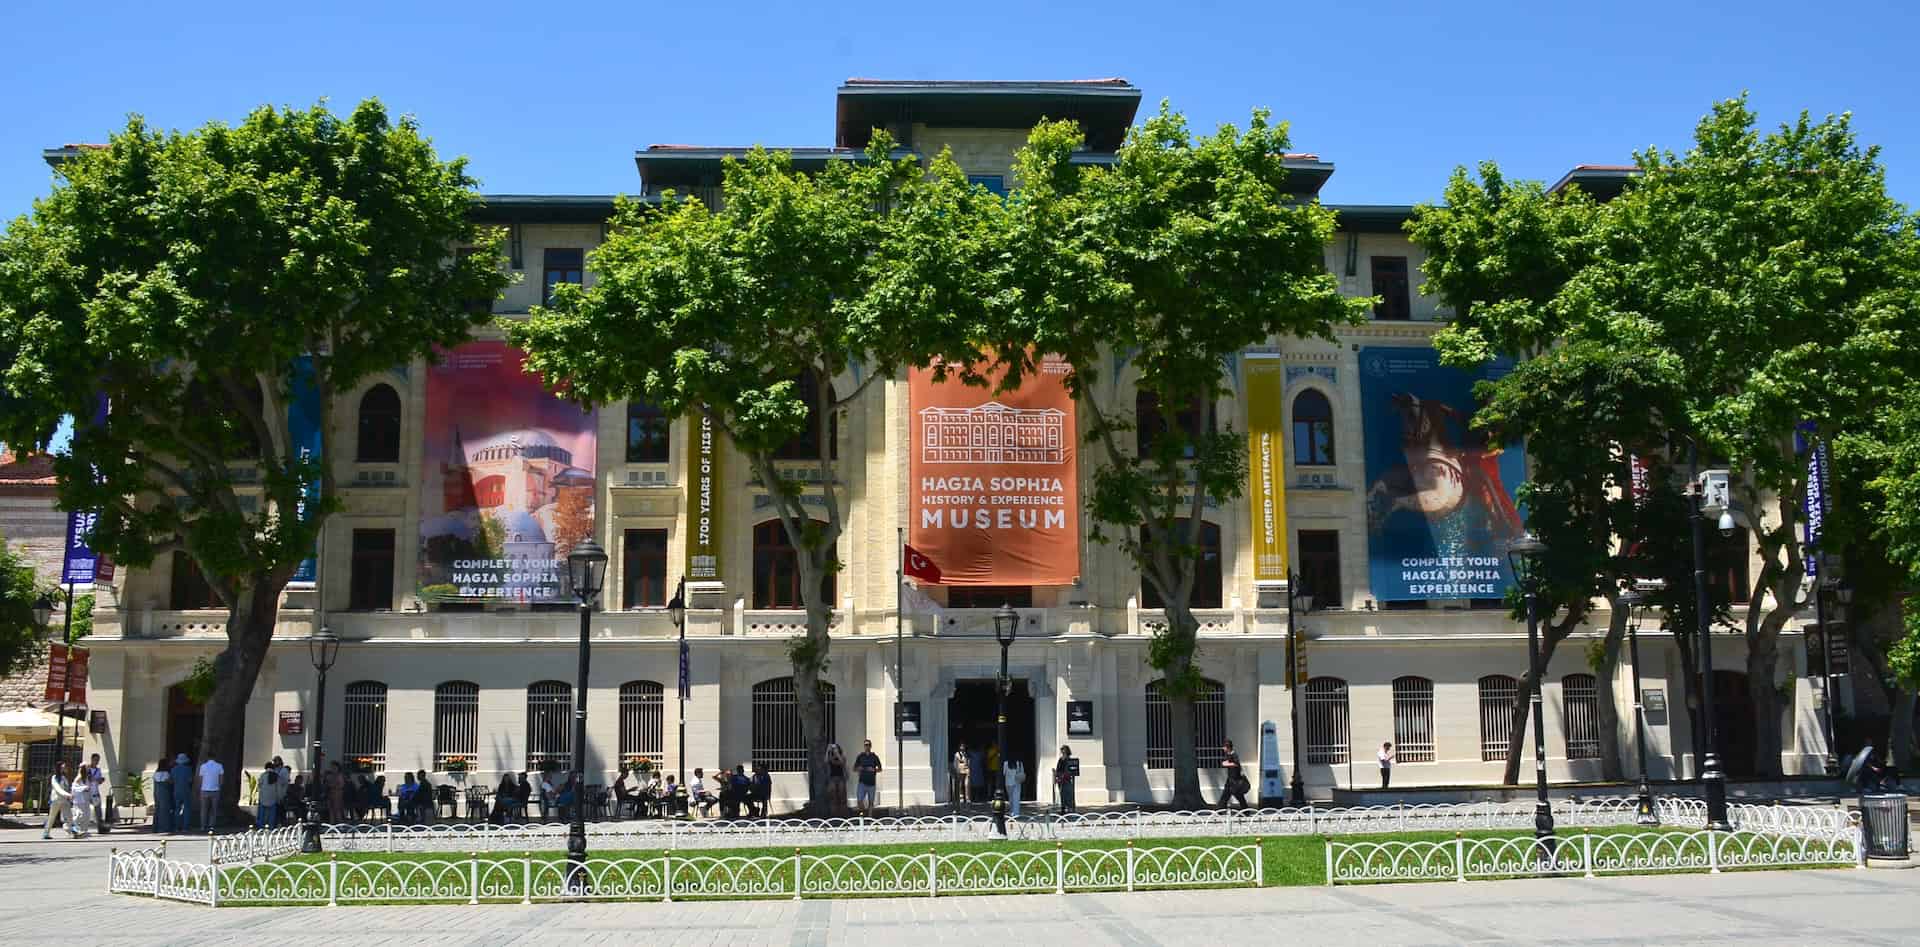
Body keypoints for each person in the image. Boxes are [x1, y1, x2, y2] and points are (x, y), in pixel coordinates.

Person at [43, 762, 80, 839]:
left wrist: (69, 795)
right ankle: (46, 833)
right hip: (56, 800)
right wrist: (68, 795)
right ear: (59, 768)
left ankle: (74, 831)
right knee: (52, 817)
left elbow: (66, 788)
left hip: (64, 800)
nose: (65, 768)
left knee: (69, 816)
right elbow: (58, 789)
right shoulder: (54, 778)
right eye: (63, 767)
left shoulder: (64, 777)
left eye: (64, 767)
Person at [196, 752, 225, 833]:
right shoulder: (219, 766)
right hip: (215, 789)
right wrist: (219, 787)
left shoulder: (203, 766)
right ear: (215, 757)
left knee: (204, 809)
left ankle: (202, 826)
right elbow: (221, 779)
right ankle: (211, 825)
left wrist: (200, 787)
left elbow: (200, 778)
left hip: (204, 789)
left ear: (207, 758)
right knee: (213, 809)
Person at [853, 740, 882, 817]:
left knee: (871, 802)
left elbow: (880, 769)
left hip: (871, 783)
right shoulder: (860, 756)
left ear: (870, 746)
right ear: (864, 746)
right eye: (865, 745)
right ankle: (863, 814)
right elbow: (854, 768)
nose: (867, 746)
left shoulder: (874, 757)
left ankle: (870, 818)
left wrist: (874, 769)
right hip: (862, 782)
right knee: (859, 800)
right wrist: (859, 768)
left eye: (868, 745)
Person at [1219, 740, 1249, 809]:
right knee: (1225, 795)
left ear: (1228, 747)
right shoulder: (1228, 755)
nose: (1223, 749)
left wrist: (1227, 764)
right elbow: (1225, 762)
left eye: (1224, 747)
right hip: (1230, 779)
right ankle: (1220, 809)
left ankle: (1246, 810)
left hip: (1235, 779)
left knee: (1238, 795)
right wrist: (1224, 763)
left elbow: (1236, 764)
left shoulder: (1234, 754)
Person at [82, 753, 108, 831]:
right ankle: (83, 826)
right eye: (95, 760)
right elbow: (88, 779)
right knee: (85, 810)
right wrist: (96, 779)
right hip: (87, 792)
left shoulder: (98, 770)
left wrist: (100, 780)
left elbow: (99, 781)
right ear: (92, 759)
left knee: (98, 810)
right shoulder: (87, 769)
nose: (96, 762)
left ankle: (100, 827)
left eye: (98, 760)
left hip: (95, 792)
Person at [169, 754, 193, 832]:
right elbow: (190, 780)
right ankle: (185, 827)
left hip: (176, 790)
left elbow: (171, 781)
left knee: (177, 808)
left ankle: (176, 827)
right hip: (186, 790)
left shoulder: (173, 769)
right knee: (186, 809)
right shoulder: (188, 769)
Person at [255, 759, 282, 828]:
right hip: (272, 797)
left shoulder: (263, 775)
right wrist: (279, 797)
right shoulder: (276, 776)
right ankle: (271, 826)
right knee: (272, 814)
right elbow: (278, 788)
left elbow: (259, 785)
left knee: (262, 813)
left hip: (263, 796)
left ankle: (260, 826)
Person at [152, 755, 175, 834]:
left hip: (156, 793)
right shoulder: (167, 774)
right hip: (165, 793)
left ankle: (155, 827)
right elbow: (170, 782)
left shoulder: (155, 774)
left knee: (157, 810)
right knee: (164, 810)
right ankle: (164, 827)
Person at [825, 744, 848, 817]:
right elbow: (825, 761)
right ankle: (834, 815)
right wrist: (828, 750)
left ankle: (842, 814)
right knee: (833, 797)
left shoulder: (842, 755)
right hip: (832, 778)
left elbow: (842, 762)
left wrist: (837, 753)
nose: (834, 750)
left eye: (836, 748)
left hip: (841, 778)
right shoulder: (830, 756)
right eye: (833, 748)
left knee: (841, 796)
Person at [1054, 746, 1077, 814]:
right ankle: (1063, 809)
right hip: (1060, 780)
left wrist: (1064, 775)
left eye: (1064, 750)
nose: (1063, 752)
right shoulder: (1060, 759)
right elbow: (1058, 768)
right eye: (1062, 750)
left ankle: (1070, 809)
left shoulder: (1069, 760)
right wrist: (1056, 775)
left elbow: (1069, 770)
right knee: (1062, 795)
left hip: (1066, 779)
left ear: (1067, 751)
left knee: (1068, 794)